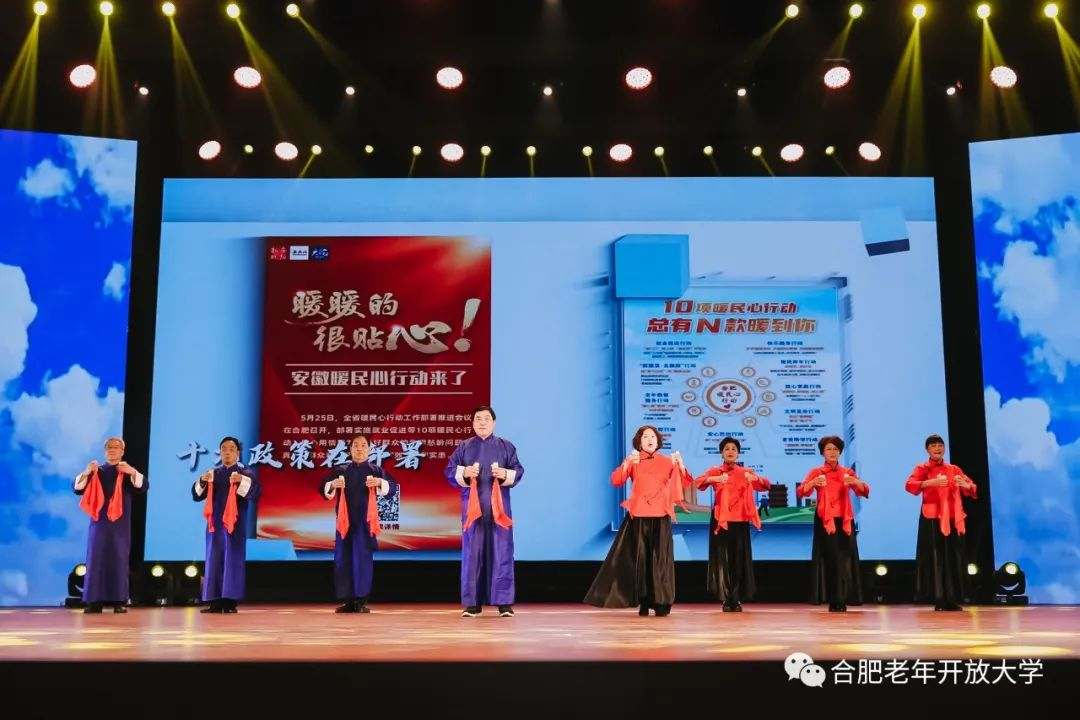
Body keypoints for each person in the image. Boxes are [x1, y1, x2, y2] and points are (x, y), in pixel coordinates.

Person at [584, 425, 691, 616]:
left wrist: (681, 465)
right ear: (639, 441)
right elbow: (616, 480)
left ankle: (661, 602)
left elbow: (685, 483)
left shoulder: (667, 462)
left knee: (660, 562)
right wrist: (627, 463)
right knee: (640, 562)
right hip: (639, 516)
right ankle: (644, 600)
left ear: (658, 442)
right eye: (645, 436)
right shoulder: (634, 460)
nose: (650, 439)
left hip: (660, 516)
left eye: (653, 436)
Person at [444, 406, 524, 618]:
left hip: (499, 510)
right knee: (473, 554)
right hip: (472, 510)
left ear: (494, 423)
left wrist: (505, 473)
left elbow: (518, 470)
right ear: (472, 423)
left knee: (502, 552)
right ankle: (472, 604)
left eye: (487, 418)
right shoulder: (464, 447)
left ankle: (504, 603)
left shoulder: (506, 446)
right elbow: (449, 471)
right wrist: (464, 472)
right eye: (478, 419)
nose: (482, 422)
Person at [321, 434, 398, 613]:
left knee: (362, 560)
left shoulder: (375, 470)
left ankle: (361, 601)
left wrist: (380, 482)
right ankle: (348, 601)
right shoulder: (341, 470)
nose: (360, 449)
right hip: (344, 523)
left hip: (365, 523)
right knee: (343, 560)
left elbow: (392, 488)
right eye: (356, 445)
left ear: (369, 449)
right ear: (350, 449)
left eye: (363, 445)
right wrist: (332, 484)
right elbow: (323, 488)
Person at [694, 437, 771, 612]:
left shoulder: (745, 472)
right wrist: (714, 479)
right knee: (723, 560)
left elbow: (766, 485)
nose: (730, 451)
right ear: (721, 453)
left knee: (738, 560)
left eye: (734, 449)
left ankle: (735, 598)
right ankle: (726, 598)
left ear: (738, 454)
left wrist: (756, 478)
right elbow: (698, 482)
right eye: (727, 449)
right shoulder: (716, 470)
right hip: (721, 521)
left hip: (740, 520)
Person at [73, 437, 147, 614]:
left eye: (116, 447)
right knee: (95, 559)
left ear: (122, 451)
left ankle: (119, 600)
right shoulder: (97, 471)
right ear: (105, 451)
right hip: (99, 522)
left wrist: (132, 471)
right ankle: (94, 601)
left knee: (119, 559)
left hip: (120, 523)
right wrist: (86, 473)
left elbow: (143, 486)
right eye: (109, 447)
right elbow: (77, 488)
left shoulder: (126, 472)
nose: (112, 450)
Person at [797, 435, 869, 612]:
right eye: (829, 449)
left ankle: (843, 598)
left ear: (840, 452)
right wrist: (812, 483)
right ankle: (833, 599)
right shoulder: (816, 472)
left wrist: (856, 482)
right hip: (825, 520)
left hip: (845, 520)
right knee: (830, 559)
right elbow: (801, 492)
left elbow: (863, 491)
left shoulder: (847, 472)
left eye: (836, 449)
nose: (832, 452)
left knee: (845, 559)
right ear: (822, 452)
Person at [905, 434, 978, 611]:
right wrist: (930, 482)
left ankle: (952, 598)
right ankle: (938, 598)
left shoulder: (954, 469)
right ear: (927, 450)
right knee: (936, 557)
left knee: (953, 557)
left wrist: (966, 486)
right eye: (933, 446)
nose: (937, 448)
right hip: (932, 517)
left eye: (940, 445)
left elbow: (971, 487)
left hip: (952, 518)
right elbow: (910, 485)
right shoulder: (922, 468)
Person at [192, 436, 258, 613]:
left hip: (234, 526)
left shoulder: (245, 474)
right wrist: (203, 480)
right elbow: (196, 495)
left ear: (238, 453)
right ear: (220, 452)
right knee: (213, 560)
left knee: (232, 561)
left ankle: (229, 602)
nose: (227, 452)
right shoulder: (214, 474)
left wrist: (240, 481)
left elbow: (254, 492)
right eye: (224, 449)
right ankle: (214, 601)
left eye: (231, 449)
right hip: (214, 526)